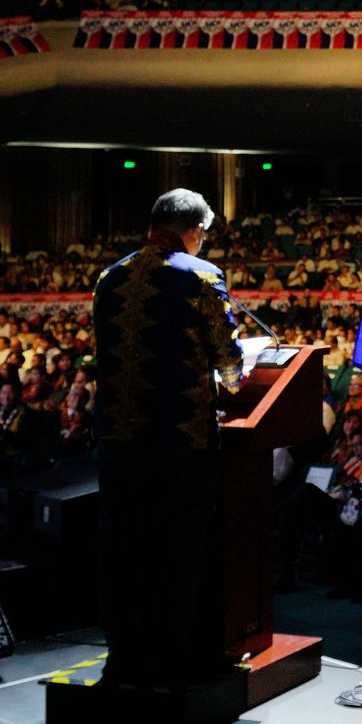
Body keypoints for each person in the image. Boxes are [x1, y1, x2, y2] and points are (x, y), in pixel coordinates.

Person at [92, 188, 245, 688]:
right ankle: (175, 655)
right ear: (195, 229)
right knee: (180, 543)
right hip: (180, 436)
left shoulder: (109, 277)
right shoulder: (200, 274)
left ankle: (125, 651)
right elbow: (228, 358)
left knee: (125, 540)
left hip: (118, 435)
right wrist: (236, 371)